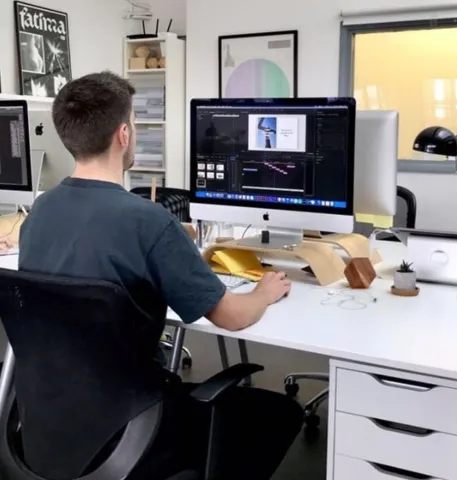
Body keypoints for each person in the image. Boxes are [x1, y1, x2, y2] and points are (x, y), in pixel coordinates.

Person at [18, 72, 303, 479]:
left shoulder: (39, 214)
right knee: (278, 412)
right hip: (133, 429)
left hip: (49, 425)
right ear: (123, 134)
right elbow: (231, 316)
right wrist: (264, 291)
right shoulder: (148, 221)